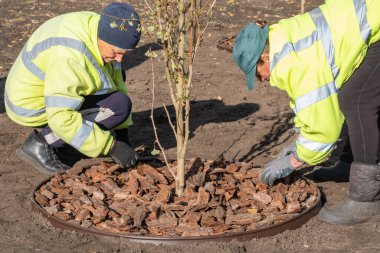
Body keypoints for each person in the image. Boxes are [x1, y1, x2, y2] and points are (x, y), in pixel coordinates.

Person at [232, 0, 380, 225]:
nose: (261, 80)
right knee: (349, 94)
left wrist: (295, 160)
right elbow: (314, 104)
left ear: (265, 56)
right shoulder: (284, 37)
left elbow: (325, 131)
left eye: (257, 72)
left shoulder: (295, 63)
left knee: (357, 101)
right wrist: (299, 140)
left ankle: (366, 197)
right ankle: (350, 163)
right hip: (371, 23)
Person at [4, 3, 140, 175]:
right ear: (103, 39)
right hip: (28, 105)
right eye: (116, 52)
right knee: (117, 107)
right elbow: (61, 118)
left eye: (124, 54)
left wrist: (122, 133)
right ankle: (40, 142)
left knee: (117, 89)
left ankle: (74, 139)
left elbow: (116, 78)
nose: (119, 59)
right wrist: (111, 146)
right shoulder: (71, 56)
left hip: (42, 87)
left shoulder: (98, 26)